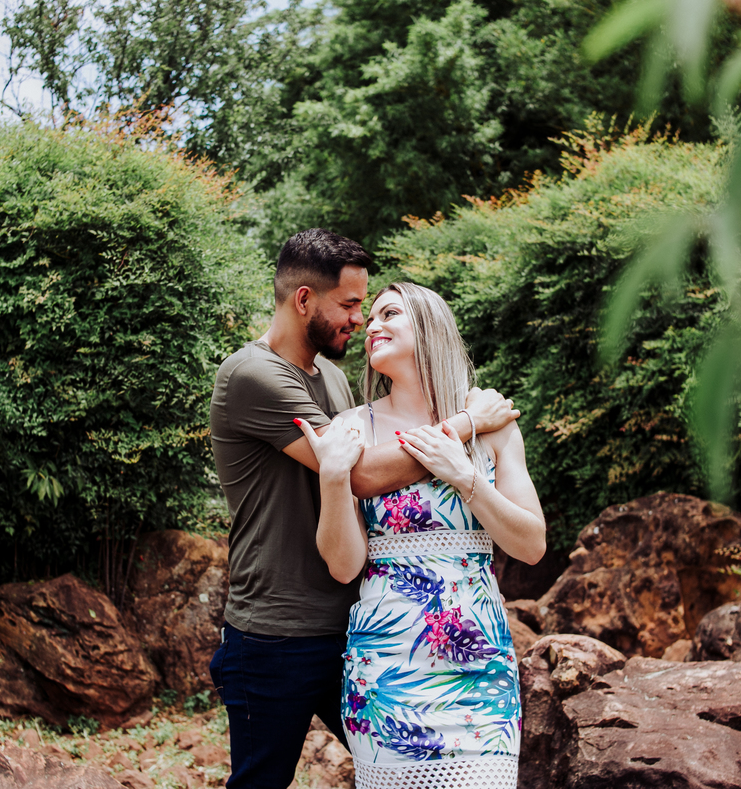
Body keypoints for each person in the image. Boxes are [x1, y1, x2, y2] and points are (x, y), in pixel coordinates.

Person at [209, 231, 520, 789]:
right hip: (275, 631)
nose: (360, 319)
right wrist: (467, 426)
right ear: (304, 299)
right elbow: (364, 474)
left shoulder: (330, 377)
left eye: (370, 308)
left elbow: (364, 479)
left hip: (356, 624)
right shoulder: (253, 374)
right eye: (351, 304)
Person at [295, 281, 547, 789]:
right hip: (388, 665)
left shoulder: (493, 423)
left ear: (429, 326)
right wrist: (334, 477)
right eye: (370, 318)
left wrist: (467, 479)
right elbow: (344, 566)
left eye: (389, 314)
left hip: (480, 666)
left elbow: (532, 544)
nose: (372, 325)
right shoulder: (353, 428)